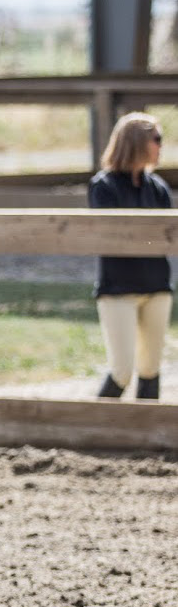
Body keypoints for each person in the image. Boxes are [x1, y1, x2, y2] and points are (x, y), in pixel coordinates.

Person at [89, 112, 173, 400]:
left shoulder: (158, 187)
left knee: (150, 368)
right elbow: (112, 234)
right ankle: (97, 428)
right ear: (138, 142)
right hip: (118, 289)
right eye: (157, 139)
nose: (161, 146)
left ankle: (147, 434)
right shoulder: (104, 186)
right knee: (122, 370)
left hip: (157, 287)